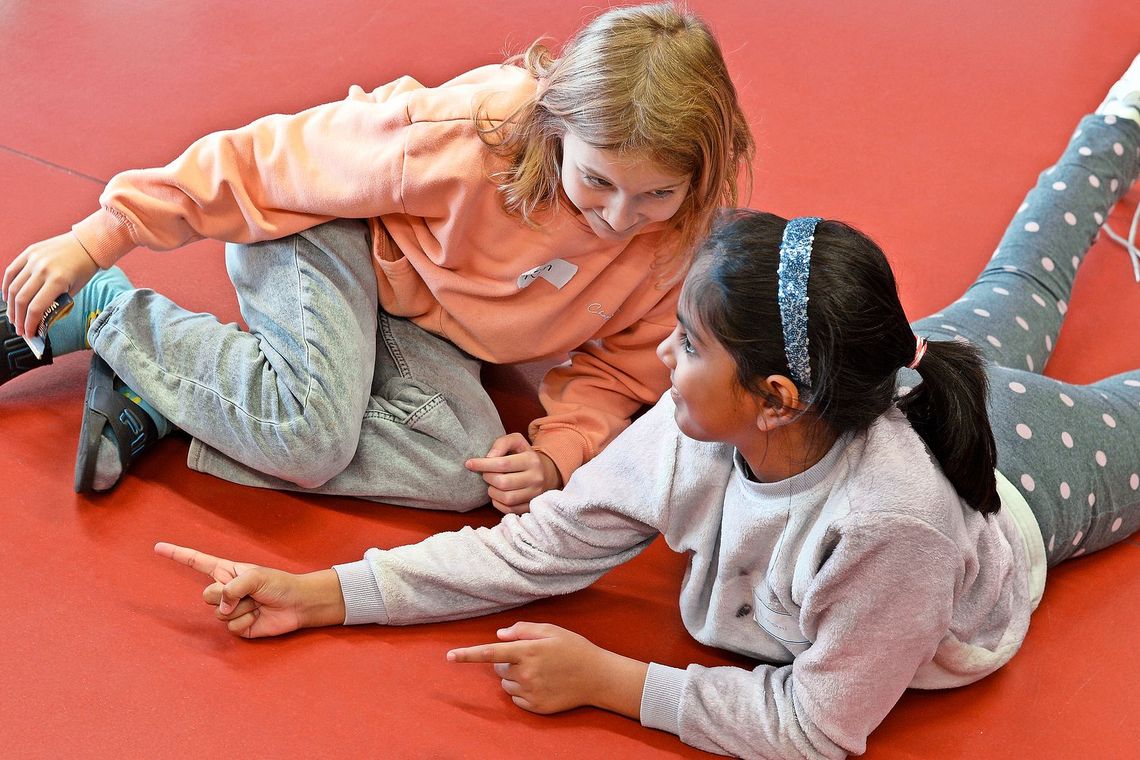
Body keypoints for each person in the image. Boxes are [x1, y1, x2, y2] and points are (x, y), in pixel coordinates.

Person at [155, 58, 1140, 758]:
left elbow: (815, 725)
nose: (661, 358)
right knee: (1026, 277)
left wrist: (614, 683)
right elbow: (528, 549)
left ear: (774, 398)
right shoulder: (711, 419)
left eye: (690, 345)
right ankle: (1124, 119)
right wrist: (320, 593)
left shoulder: (894, 530)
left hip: (1019, 475)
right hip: (911, 384)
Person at [0, 3, 753, 511]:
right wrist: (99, 235)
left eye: (655, 194)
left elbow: (620, 369)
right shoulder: (471, 132)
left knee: (468, 473)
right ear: (556, 127)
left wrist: (561, 453)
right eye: (596, 181)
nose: (621, 217)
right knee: (312, 437)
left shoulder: (678, 241)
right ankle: (104, 310)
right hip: (332, 235)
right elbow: (266, 163)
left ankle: (171, 394)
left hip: (424, 328)